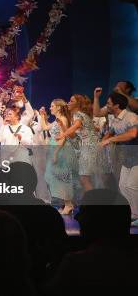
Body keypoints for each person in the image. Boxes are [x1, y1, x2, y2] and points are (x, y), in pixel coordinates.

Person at [99, 93, 138, 225]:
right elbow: (110, 133)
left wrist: (110, 139)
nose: (107, 105)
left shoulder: (131, 117)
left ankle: (137, 214)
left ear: (116, 105)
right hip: (128, 156)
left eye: (109, 103)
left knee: (132, 185)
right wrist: (101, 144)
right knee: (123, 185)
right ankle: (132, 213)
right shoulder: (115, 119)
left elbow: (132, 134)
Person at [59, 94, 109, 192]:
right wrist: (63, 128)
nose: (68, 103)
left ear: (78, 104)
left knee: (84, 178)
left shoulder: (78, 114)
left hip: (90, 148)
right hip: (92, 148)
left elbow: (77, 126)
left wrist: (63, 134)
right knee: (90, 179)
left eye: (71, 101)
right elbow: (75, 134)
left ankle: (93, 203)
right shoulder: (81, 115)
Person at [41, 99, 79, 215]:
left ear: (58, 107)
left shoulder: (63, 119)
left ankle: (69, 204)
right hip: (55, 148)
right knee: (54, 177)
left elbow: (63, 137)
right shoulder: (57, 119)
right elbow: (45, 127)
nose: (50, 108)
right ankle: (66, 203)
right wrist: (42, 115)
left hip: (61, 150)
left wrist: (56, 153)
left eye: (52, 106)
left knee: (63, 177)